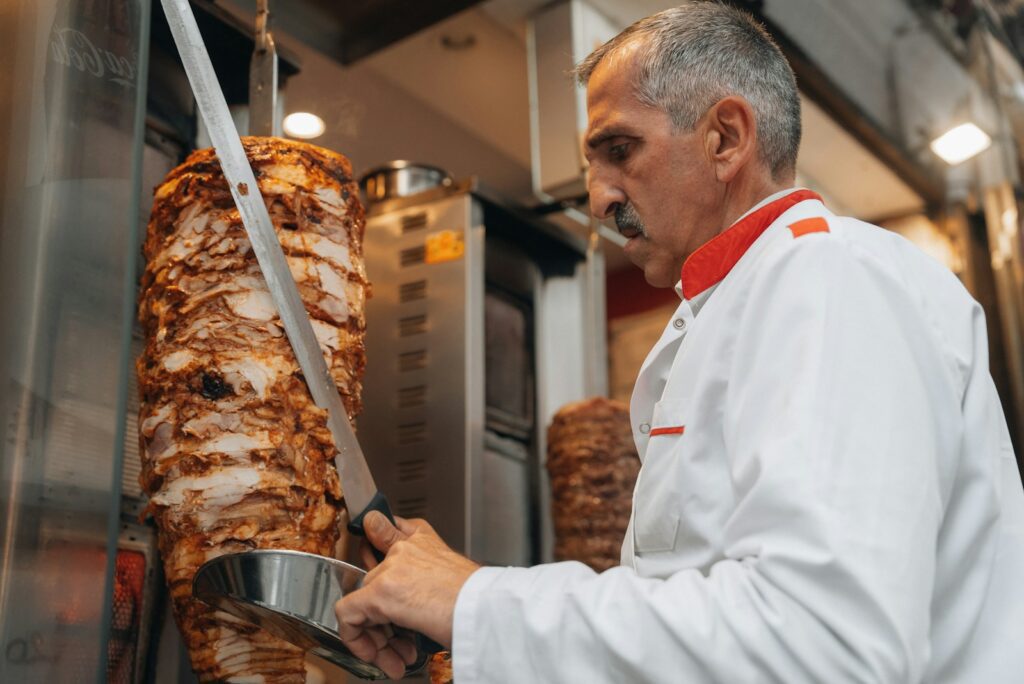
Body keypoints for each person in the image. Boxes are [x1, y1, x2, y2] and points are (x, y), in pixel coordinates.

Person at [335, 3, 1024, 681]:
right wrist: (455, 600)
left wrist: (476, 601)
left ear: (725, 138)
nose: (599, 198)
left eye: (619, 150)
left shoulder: (829, 278)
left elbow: (825, 643)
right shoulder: (740, 305)